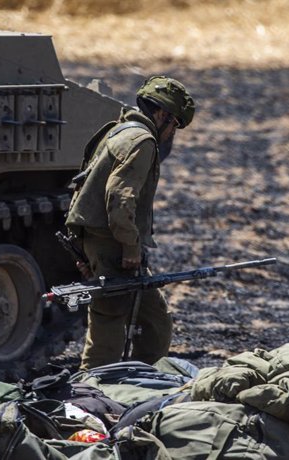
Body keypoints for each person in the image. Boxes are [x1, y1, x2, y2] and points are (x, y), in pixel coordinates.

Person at [65, 75, 195, 370]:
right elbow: (119, 199)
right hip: (114, 243)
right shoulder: (142, 141)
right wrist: (131, 248)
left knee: (154, 321)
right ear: (161, 114)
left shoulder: (119, 131)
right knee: (109, 324)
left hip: (102, 240)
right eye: (174, 123)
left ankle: (140, 382)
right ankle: (92, 390)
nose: (172, 131)